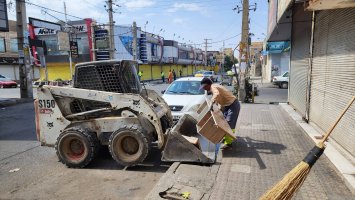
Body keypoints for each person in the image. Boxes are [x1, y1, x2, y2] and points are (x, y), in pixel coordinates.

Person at [200, 77, 240, 149]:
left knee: (229, 124)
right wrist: (218, 110)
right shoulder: (215, 87)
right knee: (223, 122)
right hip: (227, 105)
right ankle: (226, 138)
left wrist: (212, 102)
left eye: (204, 87)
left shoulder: (213, 87)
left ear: (208, 85)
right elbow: (220, 100)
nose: (204, 89)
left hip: (233, 104)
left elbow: (217, 94)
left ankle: (228, 143)